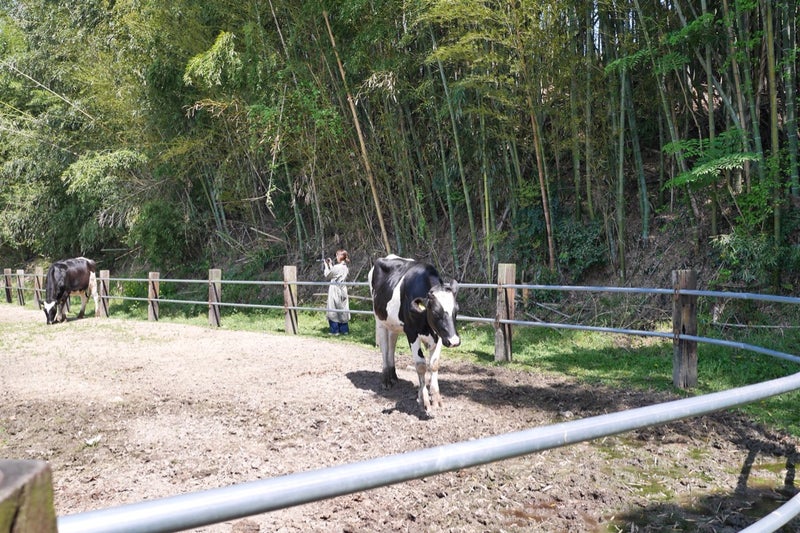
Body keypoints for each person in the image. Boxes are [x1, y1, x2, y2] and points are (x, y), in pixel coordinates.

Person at [323, 249, 350, 335]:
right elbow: (334, 273)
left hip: (335, 290)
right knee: (343, 309)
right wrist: (331, 264)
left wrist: (326, 266)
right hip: (343, 289)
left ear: (339, 257)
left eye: (337, 255)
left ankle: (334, 330)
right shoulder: (345, 267)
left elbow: (328, 275)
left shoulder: (337, 267)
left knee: (333, 309)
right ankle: (344, 330)